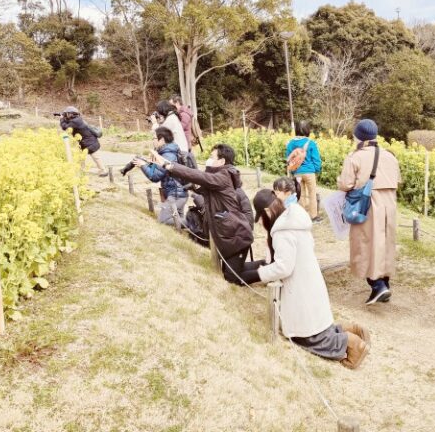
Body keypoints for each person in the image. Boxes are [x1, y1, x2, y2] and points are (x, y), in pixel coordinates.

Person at [241, 178, 371, 369]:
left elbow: (284, 267)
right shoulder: (296, 219)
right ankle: (348, 329)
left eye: (260, 218)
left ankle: (352, 344)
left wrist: (260, 273)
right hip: (310, 280)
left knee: (305, 337)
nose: (260, 223)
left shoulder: (282, 232)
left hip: (298, 288)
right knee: (316, 327)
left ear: (268, 212)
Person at [152, 143, 254, 285]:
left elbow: (198, 176)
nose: (209, 160)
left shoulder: (223, 176)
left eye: (212, 157)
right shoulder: (218, 177)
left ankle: (267, 271)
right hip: (232, 236)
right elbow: (198, 182)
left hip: (237, 237)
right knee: (231, 273)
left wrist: (169, 165)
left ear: (222, 161)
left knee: (232, 278)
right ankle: (266, 265)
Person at [337, 119, 401, 305]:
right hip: (389, 203)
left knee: (366, 243)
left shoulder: (355, 157)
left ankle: (377, 285)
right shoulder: (390, 155)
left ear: (358, 136)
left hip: (368, 204)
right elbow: (397, 180)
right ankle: (385, 282)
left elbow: (346, 184)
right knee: (385, 243)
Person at [133, 127, 189, 226]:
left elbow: (154, 176)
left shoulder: (168, 155)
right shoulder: (166, 152)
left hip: (176, 194)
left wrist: (142, 165)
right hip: (178, 193)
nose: (152, 141)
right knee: (178, 222)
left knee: (162, 221)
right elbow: (157, 170)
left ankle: (194, 224)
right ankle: (191, 227)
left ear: (161, 140)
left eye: (154, 138)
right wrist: (146, 164)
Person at [285, 120, 323, 223]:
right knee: (312, 194)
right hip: (309, 172)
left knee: (300, 194)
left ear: (296, 130)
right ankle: (313, 216)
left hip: (297, 172)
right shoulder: (311, 143)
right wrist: (317, 170)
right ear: (307, 130)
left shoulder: (290, 143)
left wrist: (292, 171)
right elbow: (316, 159)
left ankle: (302, 216)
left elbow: (288, 158)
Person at [59, 106, 108, 176]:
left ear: (71, 114)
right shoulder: (77, 119)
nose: (66, 115)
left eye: (67, 113)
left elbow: (65, 127)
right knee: (81, 157)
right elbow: (68, 123)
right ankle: (82, 170)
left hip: (89, 143)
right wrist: (64, 118)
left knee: (95, 157)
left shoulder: (75, 121)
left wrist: (61, 119)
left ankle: (103, 171)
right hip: (87, 142)